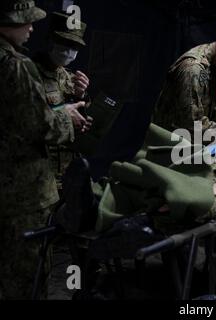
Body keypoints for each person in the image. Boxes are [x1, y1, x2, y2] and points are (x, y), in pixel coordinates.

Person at [0, 0, 90, 299]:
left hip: (48, 176)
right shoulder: (19, 66)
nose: (30, 27)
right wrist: (67, 117)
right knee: (27, 272)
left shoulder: (62, 74)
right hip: (24, 189)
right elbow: (38, 124)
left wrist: (77, 99)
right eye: (25, 21)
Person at [33, 11, 90, 187]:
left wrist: (82, 97)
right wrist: (63, 112)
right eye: (64, 44)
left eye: (75, 47)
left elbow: (78, 119)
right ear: (50, 40)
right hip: (36, 172)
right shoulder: (29, 73)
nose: (69, 52)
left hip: (65, 172)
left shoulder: (69, 77)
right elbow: (27, 118)